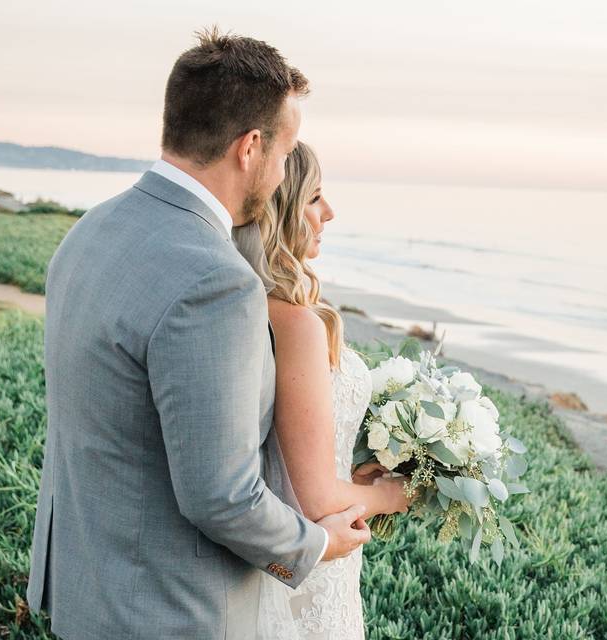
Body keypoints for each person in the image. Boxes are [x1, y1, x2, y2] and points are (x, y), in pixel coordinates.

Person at [25, 27, 370, 639]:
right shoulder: (215, 282)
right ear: (251, 147)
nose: (288, 167)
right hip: (164, 611)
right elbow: (223, 497)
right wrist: (315, 545)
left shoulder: (91, 231)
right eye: (287, 153)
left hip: (85, 588)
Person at [233, 142, 412, 639]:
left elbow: (279, 444)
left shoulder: (243, 303)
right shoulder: (296, 324)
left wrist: (353, 474)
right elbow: (315, 498)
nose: (328, 212)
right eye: (314, 198)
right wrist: (394, 496)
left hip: (275, 554)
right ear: (282, 210)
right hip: (313, 552)